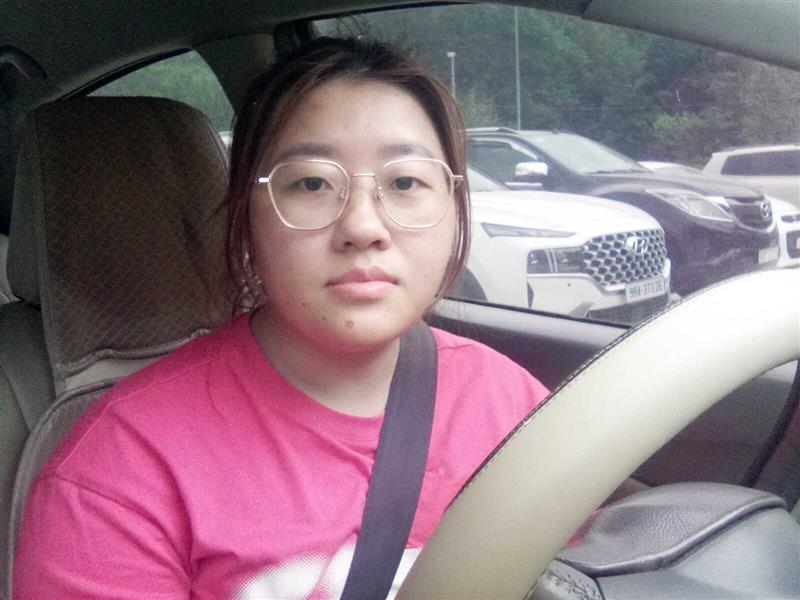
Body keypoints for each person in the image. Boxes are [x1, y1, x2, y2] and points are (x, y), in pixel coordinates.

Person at [14, 37, 548, 599]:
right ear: (247, 219)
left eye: (406, 182)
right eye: (312, 183)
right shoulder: (121, 471)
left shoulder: (514, 406)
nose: (363, 227)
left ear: (454, 206)